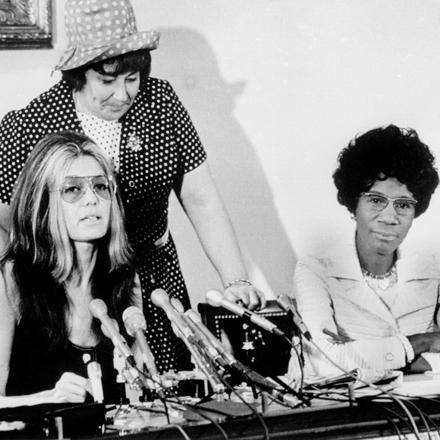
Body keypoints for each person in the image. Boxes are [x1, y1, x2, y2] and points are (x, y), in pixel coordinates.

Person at [0, 0, 265, 374]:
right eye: (107, 81)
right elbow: (7, 221)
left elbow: (201, 198)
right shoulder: (32, 123)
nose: (122, 95)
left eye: (132, 78)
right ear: (78, 74)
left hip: (154, 277)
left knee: (167, 391)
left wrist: (235, 281)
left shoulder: (162, 103)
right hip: (76, 289)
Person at [289, 125, 440, 384]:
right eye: (376, 200)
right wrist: (422, 342)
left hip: (420, 416)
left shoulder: (433, 270)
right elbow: (326, 361)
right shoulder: (315, 271)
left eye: (403, 205)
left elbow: (343, 362)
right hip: (341, 414)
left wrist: (364, 358)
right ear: (353, 203)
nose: (390, 218)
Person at [0, 131, 142, 404]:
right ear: (42, 202)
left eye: (101, 186)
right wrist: (46, 399)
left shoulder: (125, 281)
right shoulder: (10, 281)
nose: (92, 199)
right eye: (73, 189)